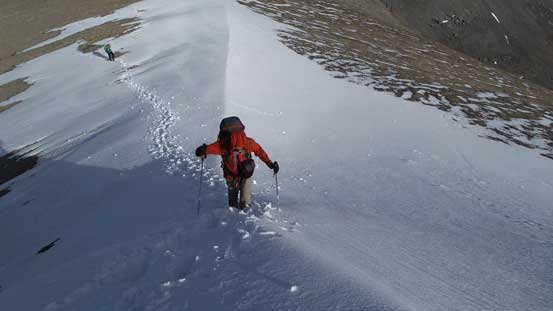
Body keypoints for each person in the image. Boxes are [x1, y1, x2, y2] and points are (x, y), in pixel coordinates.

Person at [195, 116, 279, 210]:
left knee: (232, 206)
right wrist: (271, 164)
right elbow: (260, 151)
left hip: (231, 177)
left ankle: (233, 217)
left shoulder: (222, 144)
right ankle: (245, 217)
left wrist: (202, 150)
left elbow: (203, 151)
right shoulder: (248, 142)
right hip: (246, 174)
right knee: (246, 205)